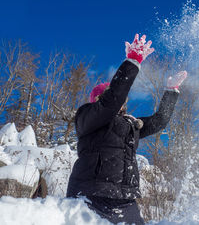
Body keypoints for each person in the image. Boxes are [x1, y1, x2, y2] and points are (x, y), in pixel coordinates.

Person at [66, 34, 187, 224]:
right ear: (97, 99)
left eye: (124, 102)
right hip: (90, 193)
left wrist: (171, 91)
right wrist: (132, 62)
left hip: (124, 198)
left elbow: (159, 121)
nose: (122, 104)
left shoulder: (129, 125)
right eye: (112, 98)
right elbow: (112, 100)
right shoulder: (87, 117)